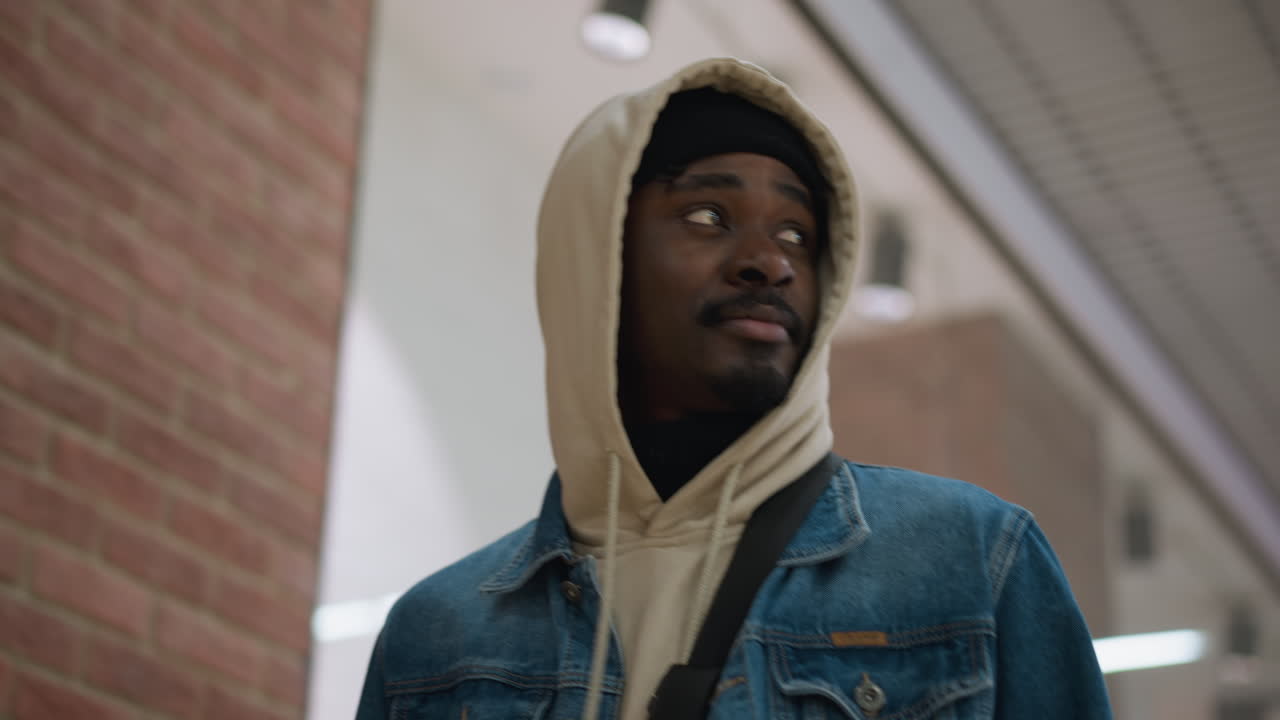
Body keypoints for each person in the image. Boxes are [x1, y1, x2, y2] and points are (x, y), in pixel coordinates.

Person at [355, 57, 1111, 720]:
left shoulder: (972, 558)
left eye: (796, 236)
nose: (768, 263)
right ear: (597, 261)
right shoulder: (439, 636)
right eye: (708, 215)